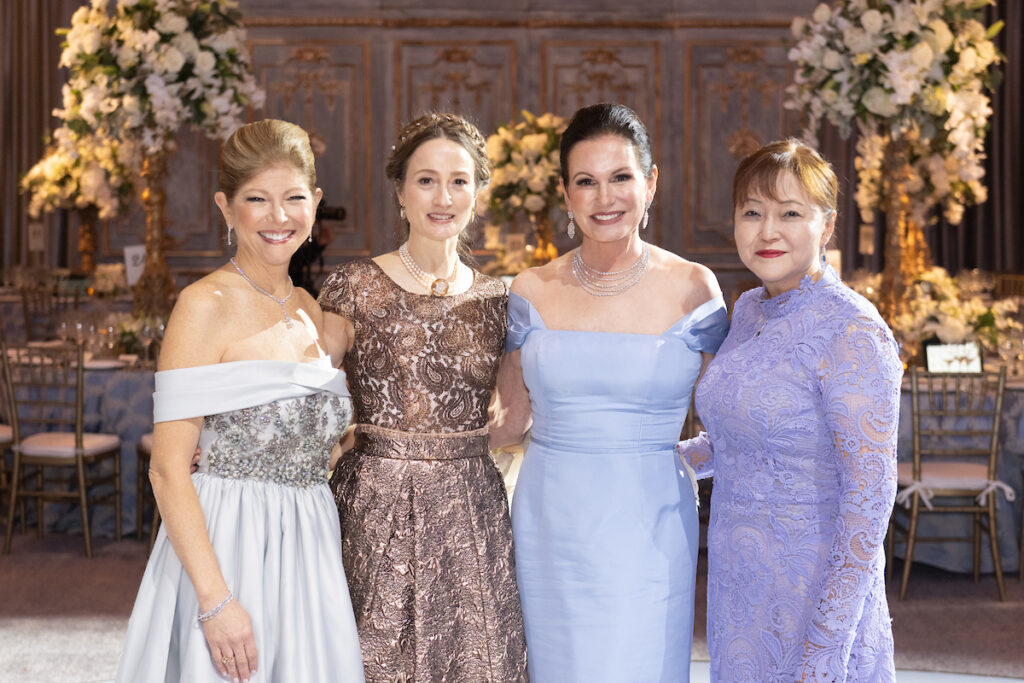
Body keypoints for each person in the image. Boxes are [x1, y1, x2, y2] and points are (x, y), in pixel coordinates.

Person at [116, 119, 364, 683]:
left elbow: (315, 445)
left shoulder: (310, 308)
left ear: (315, 203)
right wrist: (215, 602)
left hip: (308, 546)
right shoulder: (203, 305)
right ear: (226, 208)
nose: (279, 217)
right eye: (257, 199)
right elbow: (167, 470)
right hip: (229, 544)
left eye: (294, 198)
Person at [490, 102, 729, 681]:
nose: (605, 198)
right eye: (586, 181)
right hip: (550, 517)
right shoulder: (530, 290)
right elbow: (509, 420)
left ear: (651, 183)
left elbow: (733, 414)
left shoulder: (694, 289)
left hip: (652, 516)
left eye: (621, 177)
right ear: (565, 193)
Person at [678, 139, 900, 681]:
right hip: (739, 590)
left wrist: (825, 644)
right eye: (752, 213)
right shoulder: (750, 309)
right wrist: (666, 458)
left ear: (827, 226)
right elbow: (742, 439)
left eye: (790, 214)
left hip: (814, 592)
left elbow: (870, 499)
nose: (767, 231)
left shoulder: (852, 329)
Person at [317, 112, 528, 682]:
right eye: (426, 180)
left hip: (471, 507)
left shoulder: (500, 300)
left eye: (459, 181)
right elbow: (305, 391)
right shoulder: (354, 287)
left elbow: (516, 418)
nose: (443, 197)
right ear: (400, 192)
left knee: (477, 660)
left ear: (478, 194)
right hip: (374, 503)